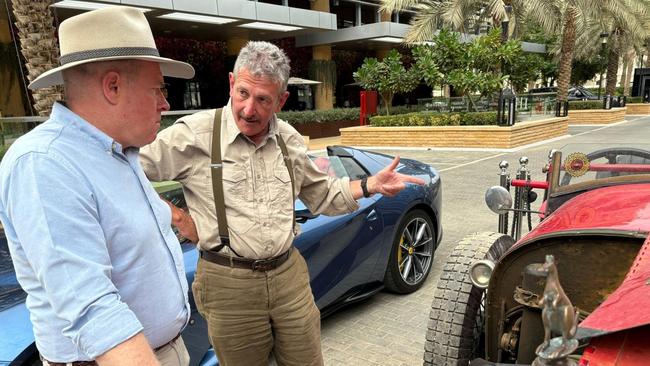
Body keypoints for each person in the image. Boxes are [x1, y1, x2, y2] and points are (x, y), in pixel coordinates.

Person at [139, 41, 424, 366]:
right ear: (232, 83)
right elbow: (125, 168)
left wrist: (370, 184)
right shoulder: (196, 134)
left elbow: (323, 195)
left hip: (288, 273)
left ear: (281, 100)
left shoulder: (287, 138)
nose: (249, 109)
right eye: (243, 93)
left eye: (263, 100)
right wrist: (174, 215)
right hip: (228, 281)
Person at [0, 7, 195, 366]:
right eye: (158, 89)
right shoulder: (45, 163)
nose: (165, 104)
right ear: (113, 86)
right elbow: (91, 306)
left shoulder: (120, 152)